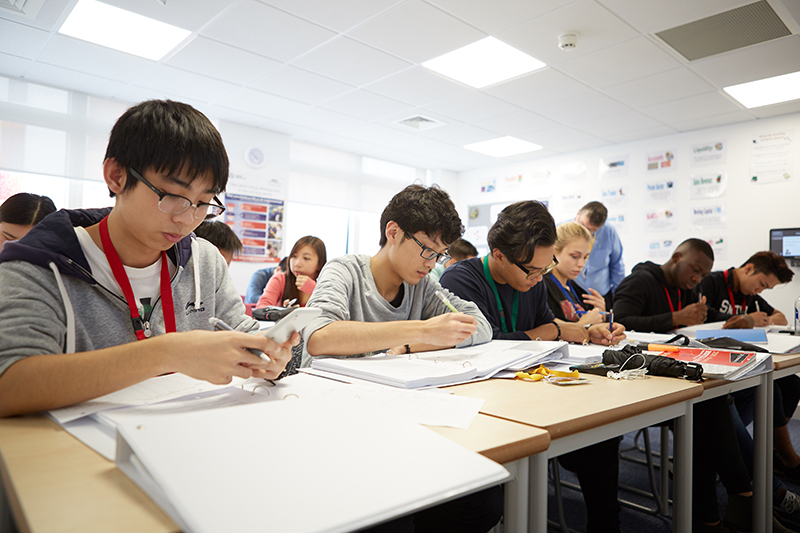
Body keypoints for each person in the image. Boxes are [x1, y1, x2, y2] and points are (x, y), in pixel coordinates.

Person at [0, 100, 296, 418]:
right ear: (116, 176)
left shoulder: (204, 260)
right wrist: (166, 353)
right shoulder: (38, 265)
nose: (187, 219)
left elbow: (238, 328)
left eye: (203, 203)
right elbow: (10, 383)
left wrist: (270, 357)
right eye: (173, 197)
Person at [302, 184, 501, 533]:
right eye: (426, 250)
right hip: (337, 427)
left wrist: (409, 347)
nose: (431, 264)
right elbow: (320, 337)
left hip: (402, 420)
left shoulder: (423, 285)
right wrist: (418, 331)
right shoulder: (344, 271)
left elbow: (481, 327)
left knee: (483, 502)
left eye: (439, 255)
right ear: (392, 232)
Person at [440, 201, 625, 533]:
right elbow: (485, 345)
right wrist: (555, 330)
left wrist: (585, 333)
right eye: (532, 270)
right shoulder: (461, 278)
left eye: (546, 266)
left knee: (604, 437)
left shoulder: (534, 280)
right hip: (484, 406)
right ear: (498, 255)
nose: (540, 278)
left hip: (535, 396)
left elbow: (547, 330)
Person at [613, 239, 759, 531]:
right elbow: (621, 322)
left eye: (703, 276)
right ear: (676, 257)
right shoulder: (640, 281)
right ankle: (749, 493)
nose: (697, 279)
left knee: (711, 411)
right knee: (710, 410)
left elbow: (703, 316)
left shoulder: (688, 289)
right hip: (640, 377)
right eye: (695, 270)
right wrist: (674, 318)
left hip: (672, 373)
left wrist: (733, 320)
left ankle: (718, 511)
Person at [700, 251, 800, 520]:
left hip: (737, 364)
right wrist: (748, 321)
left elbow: (778, 316)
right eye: (763, 284)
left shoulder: (750, 296)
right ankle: (784, 464)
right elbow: (701, 321)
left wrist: (756, 319)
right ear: (749, 268)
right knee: (768, 390)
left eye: (766, 289)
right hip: (712, 367)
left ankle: (776, 454)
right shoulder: (710, 282)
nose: (761, 290)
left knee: (790, 385)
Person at [544, 222, 608, 325]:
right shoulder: (542, 287)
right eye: (575, 256)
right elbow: (547, 329)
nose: (581, 264)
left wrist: (601, 315)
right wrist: (582, 325)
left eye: (585, 257)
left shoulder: (576, 290)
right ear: (554, 252)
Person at [573, 201, 624, 309]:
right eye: (583, 225)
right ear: (578, 214)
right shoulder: (562, 229)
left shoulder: (609, 231)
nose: (587, 233)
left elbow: (617, 267)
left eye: (593, 230)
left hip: (601, 295)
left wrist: (619, 299)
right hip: (573, 292)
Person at [256, 236, 326, 308]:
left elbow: (333, 315)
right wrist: (281, 313)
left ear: (319, 263)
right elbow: (261, 308)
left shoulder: (326, 284)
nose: (297, 264)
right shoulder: (280, 279)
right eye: (294, 256)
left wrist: (314, 290)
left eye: (306, 258)